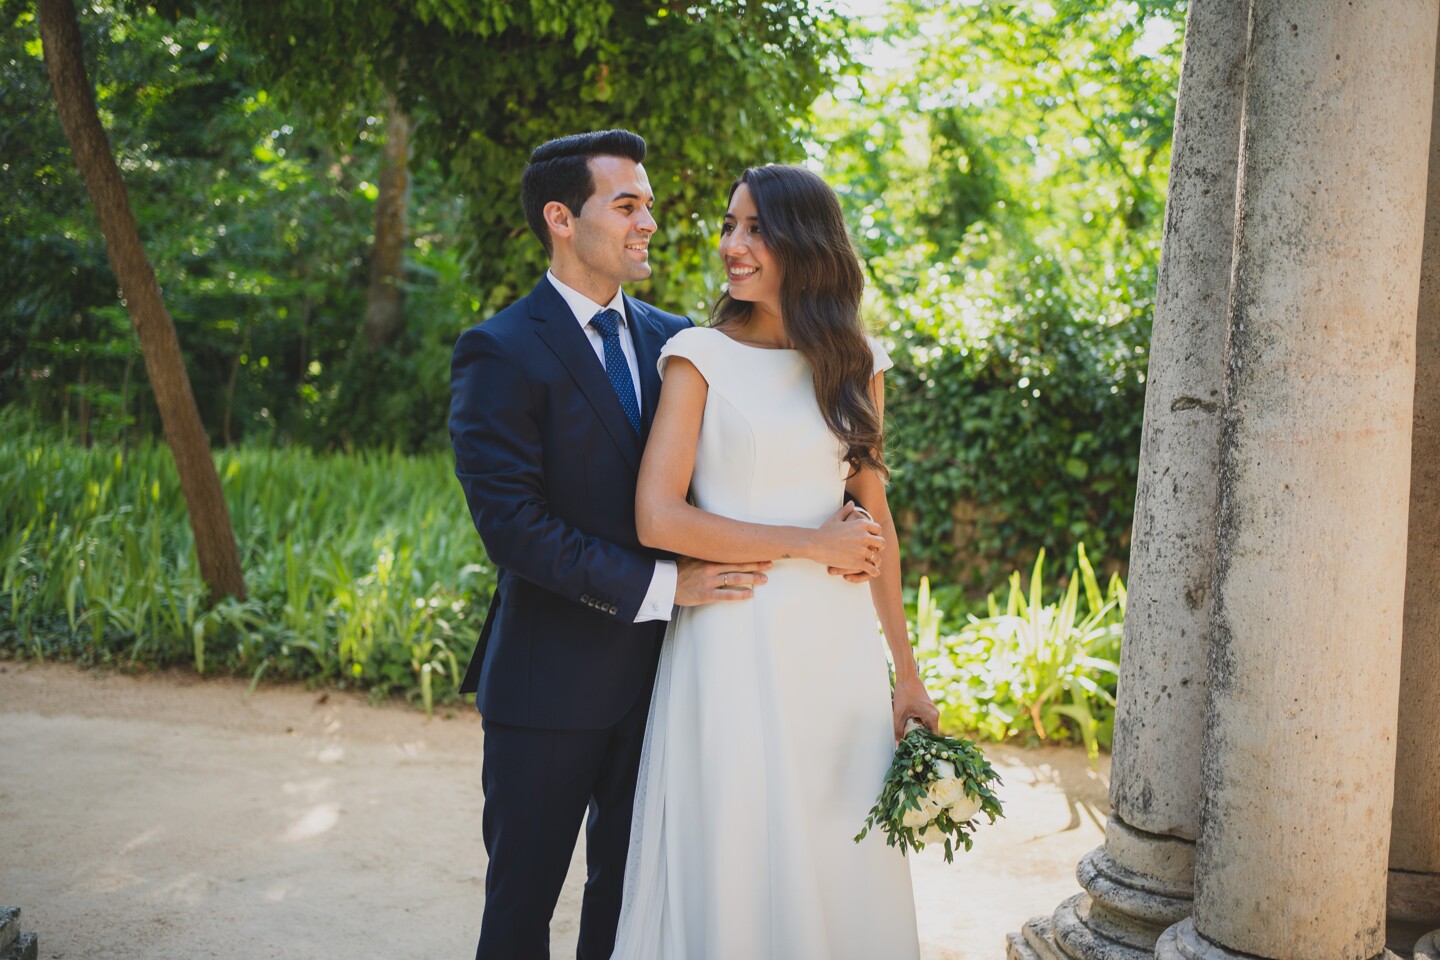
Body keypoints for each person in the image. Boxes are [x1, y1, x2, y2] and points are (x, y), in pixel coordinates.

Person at [449, 132, 885, 960]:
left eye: (648, 204)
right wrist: (665, 584)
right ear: (560, 218)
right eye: (627, 205)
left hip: (672, 683)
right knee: (520, 910)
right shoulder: (498, 350)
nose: (649, 220)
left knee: (631, 907)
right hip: (550, 684)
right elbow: (513, 527)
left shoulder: (678, 339)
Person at [611, 164, 940, 960]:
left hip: (833, 653)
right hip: (733, 635)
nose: (733, 244)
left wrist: (906, 670)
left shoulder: (856, 361)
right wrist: (808, 542)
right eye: (730, 226)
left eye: (755, 228)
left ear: (807, 240)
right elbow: (658, 516)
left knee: (839, 840)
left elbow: (878, 522)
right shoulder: (698, 356)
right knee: (738, 839)